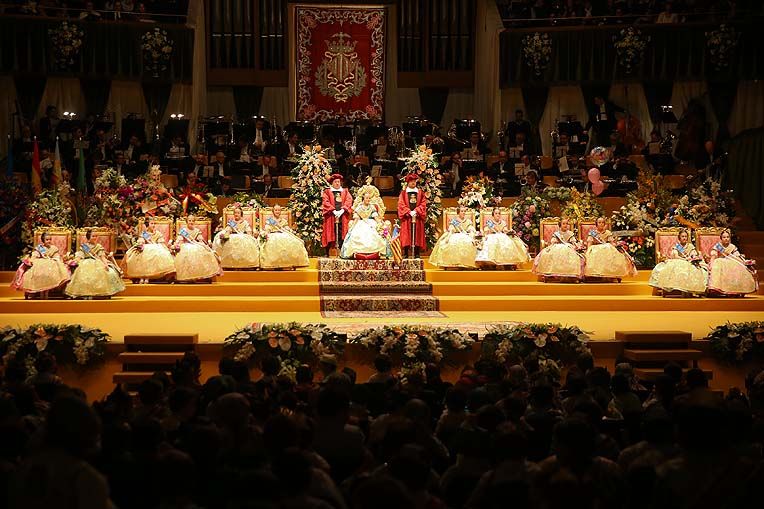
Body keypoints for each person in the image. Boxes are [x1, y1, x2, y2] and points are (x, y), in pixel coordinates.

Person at [65, 229, 125, 298]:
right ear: (88, 237)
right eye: (93, 236)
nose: (95, 238)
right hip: (85, 262)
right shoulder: (84, 246)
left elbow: (102, 257)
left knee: (104, 273)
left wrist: (105, 264)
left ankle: (99, 293)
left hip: (97, 262)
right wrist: (75, 261)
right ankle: (86, 293)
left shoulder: (98, 246)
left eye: (96, 236)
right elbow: (80, 256)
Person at [649, 228, 708, 296]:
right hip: (679, 261)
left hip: (688, 262)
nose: (684, 238)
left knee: (696, 269)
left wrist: (692, 257)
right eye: (683, 236)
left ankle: (688, 290)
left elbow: (693, 254)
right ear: (679, 238)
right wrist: (684, 259)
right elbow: (676, 256)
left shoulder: (690, 246)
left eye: (685, 236)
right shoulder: (677, 246)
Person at [11, 232, 70, 298]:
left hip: (51, 263)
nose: (49, 241)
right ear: (43, 241)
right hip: (40, 263)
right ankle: (40, 291)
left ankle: (47, 292)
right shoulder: (40, 248)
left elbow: (56, 256)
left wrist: (54, 259)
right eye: (47, 240)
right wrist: (31, 260)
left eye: (50, 239)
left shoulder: (53, 248)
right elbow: (34, 256)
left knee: (52, 270)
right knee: (36, 271)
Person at [583, 216, 637, 281]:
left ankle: (609, 274)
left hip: (606, 249)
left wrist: (617, 246)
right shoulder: (593, 233)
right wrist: (588, 251)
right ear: (596, 224)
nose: (601, 224)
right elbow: (590, 243)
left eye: (603, 222)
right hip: (596, 249)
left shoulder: (608, 232)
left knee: (609, 249)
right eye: (599, 222)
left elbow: (612, 243)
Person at [707, 229, 758, 296]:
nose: (726, 239)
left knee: (738, 266)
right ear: (721, 238)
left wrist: (744, 261)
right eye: (724, 237)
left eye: (728, 237)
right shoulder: (718, 246)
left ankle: (734, 290)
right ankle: (718, 289)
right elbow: (714, 255)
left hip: (731, 261)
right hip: (720, 261)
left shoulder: (732, 247)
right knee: (718, 264)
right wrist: (711, 263)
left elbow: (737, 256)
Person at [341, 186, 388, 259]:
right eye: (367, 198)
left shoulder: (372, 207)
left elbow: (376, 217)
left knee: (375, 235)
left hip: (371, 223)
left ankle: (378, 252)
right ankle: (355, 252)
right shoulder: (359, 207)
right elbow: (356, 218)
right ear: (363, 199)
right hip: (361, 223)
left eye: (369, 198)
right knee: (357, 235)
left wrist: (380, 223)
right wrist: (353, 226)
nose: (368, 200)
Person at [125, 218, 177, 284]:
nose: (153, 225)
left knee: (158, 252)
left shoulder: (157, 233)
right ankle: (143, 276)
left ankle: (152, 276)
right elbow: (141, 241)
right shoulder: (144, 234)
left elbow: (161, 243)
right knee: (143, 252)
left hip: (156, 249)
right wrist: (140, 243)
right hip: (146, 249)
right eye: (151, 223)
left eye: (154, 223)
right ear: (147, 225)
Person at [260, 204, 310, 270]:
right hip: (273, 234)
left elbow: (286, 228)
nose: (277, 211)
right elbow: (267, 228)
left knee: (292, 242)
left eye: (279, 210)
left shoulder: (283, 221)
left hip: (283, 234)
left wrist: (289, 230)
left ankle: (287, 263)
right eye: (276, 210)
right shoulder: (270, 220)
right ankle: (271, 264)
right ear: (273, 211)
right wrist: (266, 233)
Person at [533, 217, 583, 282]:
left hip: (568, 248)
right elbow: (553, 241)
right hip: (557, 248)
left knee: (573, 256)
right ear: (560, 225)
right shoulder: (557, 234)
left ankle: (569, 275)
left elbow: (573, 242)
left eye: (567, 224)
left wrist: (577, 246)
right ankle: (552, 274)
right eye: (563, 224)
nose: (565, 225)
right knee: (547, 254)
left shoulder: (570, 233)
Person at [173, 215, 222, 282]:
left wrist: (204, 245)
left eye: (193, 221)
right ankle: (187, 276)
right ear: (187, 222)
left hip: (195, 245)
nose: (191, 222)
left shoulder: (196, 230)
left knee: (201, 251)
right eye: (189, 220)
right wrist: (178, 245)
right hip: (186, 246)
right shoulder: (183, 231)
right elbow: (180, 240)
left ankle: (199, 275)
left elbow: (200, 240)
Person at [321, 174, 353, 254]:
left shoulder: (345, 191)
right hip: (331, 215)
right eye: (335, 182)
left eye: (338, 182)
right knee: (331, 232)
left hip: (343, 215)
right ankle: (329, 252)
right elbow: (325, 201)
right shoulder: (327, 192)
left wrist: (343, 210)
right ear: (332, 183)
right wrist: (333, 210)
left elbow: (349, 200)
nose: (337, 183)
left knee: (342, 232)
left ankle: (342, 251)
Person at [397, 173, 428, 258]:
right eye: (411, 181)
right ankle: (406, 253)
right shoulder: (403, 194)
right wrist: (408, 212)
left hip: (417, 217)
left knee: (417, 235)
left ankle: (417, 253)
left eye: (414, 181)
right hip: (407, 218)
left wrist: (416, 211)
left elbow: (423, 204)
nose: (413, 183)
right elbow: (401, 204)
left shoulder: (420, 193)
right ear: (408, 182)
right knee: (406, 235)